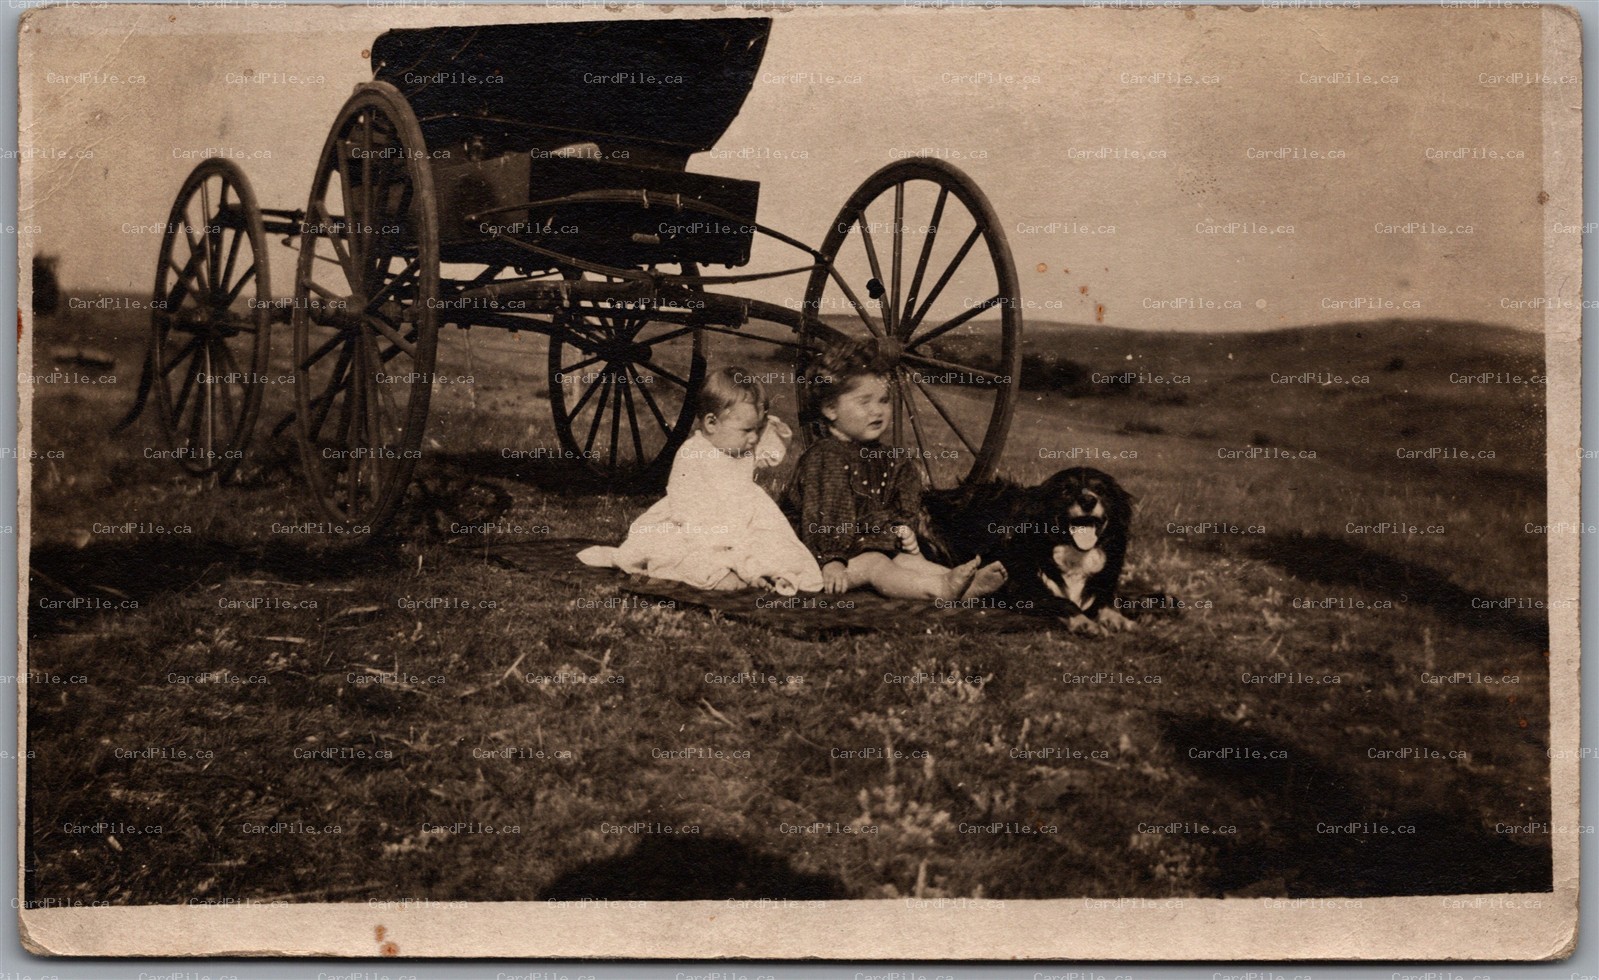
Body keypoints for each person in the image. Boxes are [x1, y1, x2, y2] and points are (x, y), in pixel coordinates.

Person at [781, 341, 1006, 600]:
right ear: (831, 409)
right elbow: (826, 517)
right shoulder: (826, 457)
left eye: (884, 400)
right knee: (876, 563)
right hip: (814, 560)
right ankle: (940, 589)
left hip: (860, 549)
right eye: (864, 402)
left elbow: (903, 501)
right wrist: (831, 558)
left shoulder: (889, 458)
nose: (877, 410)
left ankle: (958, 584)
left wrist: (903, 529)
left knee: (907, 560)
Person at [578, 368, 823, 595]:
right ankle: (722, 574)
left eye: (757, 430)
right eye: (746, 430)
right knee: (678, 549)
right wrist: (719, 539)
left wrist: (762, 424)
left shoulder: (743, 448)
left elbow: (771, 451)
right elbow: (685, 504)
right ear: (711, 423)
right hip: (698, 523)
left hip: (743, 517)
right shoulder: (693, 453)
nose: (753, 439)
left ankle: (764, 573)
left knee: (771, 543)